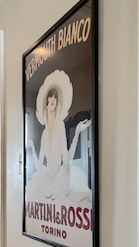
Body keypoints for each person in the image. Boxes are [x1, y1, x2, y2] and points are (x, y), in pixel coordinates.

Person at [27, 70, 91, 199]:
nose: (53, 100)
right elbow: (39, 166)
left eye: (55, 98)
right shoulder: (44, 134)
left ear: (57, 103)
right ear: (45, 103)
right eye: (50, 97)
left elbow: (66, 160)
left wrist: (77, 132)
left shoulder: (60, 125)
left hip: (59, 179)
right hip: (46, 180)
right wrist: (32, 148)